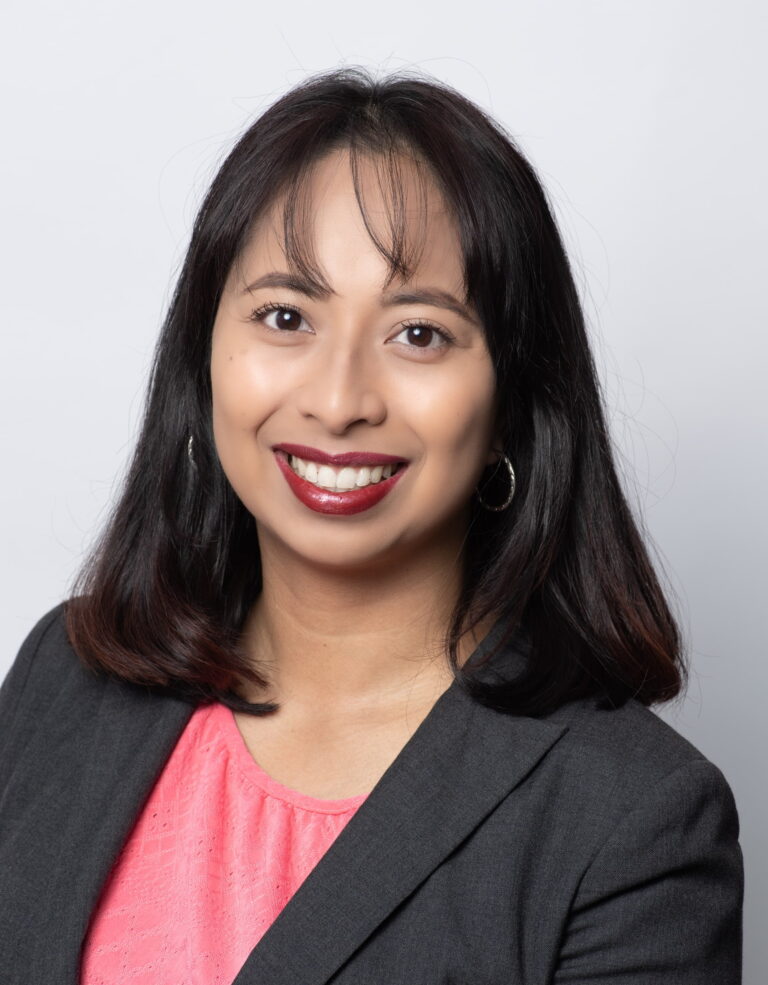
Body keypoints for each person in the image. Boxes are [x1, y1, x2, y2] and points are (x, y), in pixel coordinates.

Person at [0, 66, 743, 984]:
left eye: (419, 333)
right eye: (285, 316)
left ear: (515, 400)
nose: (340, 399)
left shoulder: (633, 820)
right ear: (204, 358)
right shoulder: (66, 678)